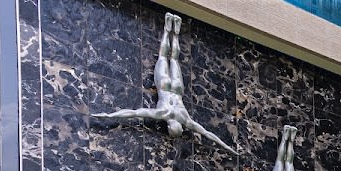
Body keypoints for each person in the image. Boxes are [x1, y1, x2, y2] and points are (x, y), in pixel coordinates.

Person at [93, 12, 236, 154]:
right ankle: (168, 31)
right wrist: (109, 115)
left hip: (176, 89)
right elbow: (133, 113)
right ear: (169, 127)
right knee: (164, 57)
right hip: (165, 87)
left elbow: (207, 133)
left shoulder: (183, 119)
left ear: (178, 126)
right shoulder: (163, 114)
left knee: (172, 59)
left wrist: (227, 147)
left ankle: (174, 33)